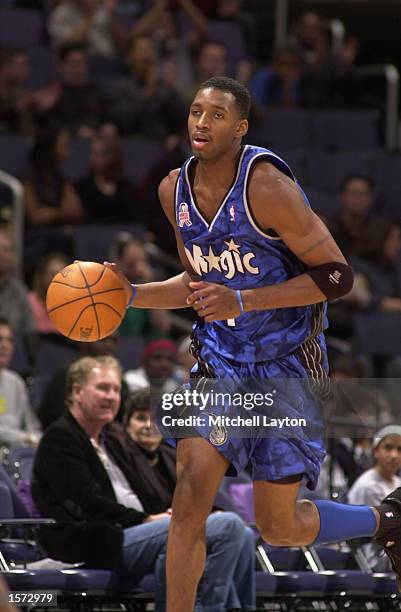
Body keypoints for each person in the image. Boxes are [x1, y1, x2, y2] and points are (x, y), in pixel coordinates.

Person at [105, 77, 401, 610]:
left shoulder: (266, 187)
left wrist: (244, 301)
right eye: (196, 111)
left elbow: (338, 277)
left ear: (240, 128)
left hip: (287, 362)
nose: (201, 122)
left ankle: (385, 519)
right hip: (220, 361)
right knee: (190, 500)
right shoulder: (173, 190)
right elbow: (197, 283)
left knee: (279, 526)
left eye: (216, 115)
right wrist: (128, 295)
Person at [32, 355, 256, 611]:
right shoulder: (60, 438)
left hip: (133, 533)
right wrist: (147, 520)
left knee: (243, 535)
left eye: (116, 389)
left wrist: (169, 514)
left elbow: (145, 493)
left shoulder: (111, 441)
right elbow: (86, 503)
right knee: (227, 526)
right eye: (103, 388)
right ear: (77, 391)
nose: (111, 396)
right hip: (96, 540)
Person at [348, 426, 401, 571]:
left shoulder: (398, 483)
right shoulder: (367, 485)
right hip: (375, 554)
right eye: (388, 448)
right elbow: (385, 531)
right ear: (376, 451)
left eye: (399, 450)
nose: (394, 455)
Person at [0, 318, 41, 451]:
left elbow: (31, 426)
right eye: (0, 339)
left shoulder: (16, 382)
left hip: (16, 455)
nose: (5, 345)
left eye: (9, 340)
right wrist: (25, 438)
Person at [28, 252, 69, 334]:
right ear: (43, 275)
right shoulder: (29, 301)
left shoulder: (72, 304)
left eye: (61, 275)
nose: (56, 279)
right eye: (52, 274)